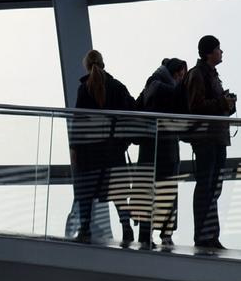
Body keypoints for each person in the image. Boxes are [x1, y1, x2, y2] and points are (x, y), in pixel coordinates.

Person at [70, 50, 136, 244]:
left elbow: (78, 122)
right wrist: (123, 141)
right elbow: (132, 111)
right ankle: (126, 228)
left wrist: (74, 148)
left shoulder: (84, 89)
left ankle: (84, 230)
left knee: (85, 191)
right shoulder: (116, 87)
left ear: (86, 66)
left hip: (89, 151)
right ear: (103, 64)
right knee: (117, 191)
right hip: (112, 149)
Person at [185, 35, 236, 249]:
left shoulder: (211, 75)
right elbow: (195, 106)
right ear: (209, 53)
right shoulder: (197, 75)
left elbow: (210, 104)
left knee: (213, 188)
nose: (221, 52)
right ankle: (203, 237)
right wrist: (221, 102)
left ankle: (211, 237)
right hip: (206, 139)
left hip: (216, 138)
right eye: (218, 49)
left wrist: (227, 104)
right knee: (206, 187)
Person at [136, 58, 189, 247]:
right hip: (165, 147)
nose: (182, 78)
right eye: (181, 74)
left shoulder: (152, 84)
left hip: (151, 147)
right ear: (174, 72)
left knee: (150, 190)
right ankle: (164, 235)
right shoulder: (160, 85)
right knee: (167, 190)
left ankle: (146, 233)